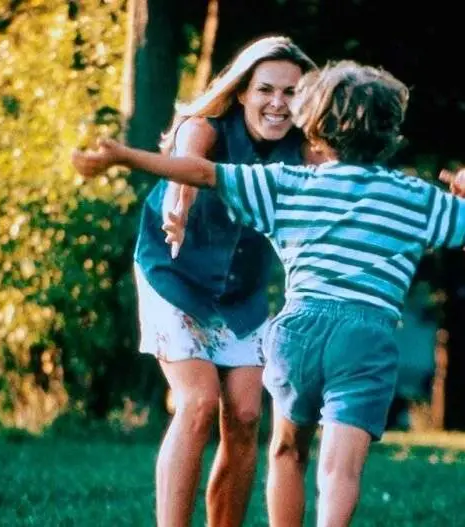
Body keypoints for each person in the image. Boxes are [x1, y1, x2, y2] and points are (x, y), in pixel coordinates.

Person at [71, 59, 465, 527]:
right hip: (366, 338)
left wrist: (125, 156)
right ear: (390, 129)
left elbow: (202, 173)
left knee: (286, 451)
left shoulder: (287, 184)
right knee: (339, 470)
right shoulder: (417, 198)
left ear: (314, 125)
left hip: (299, 331)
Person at [128, 35, 316, 527]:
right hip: (174, 276)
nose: (278, 103)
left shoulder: (306, 150)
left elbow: (358, 183)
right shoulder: (205, 127)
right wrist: (178, 204)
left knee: (247, 415)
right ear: (242, 92)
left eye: (291, 92)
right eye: (266, 90)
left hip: (241, 293)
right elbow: (188, 168)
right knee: (197, 402)